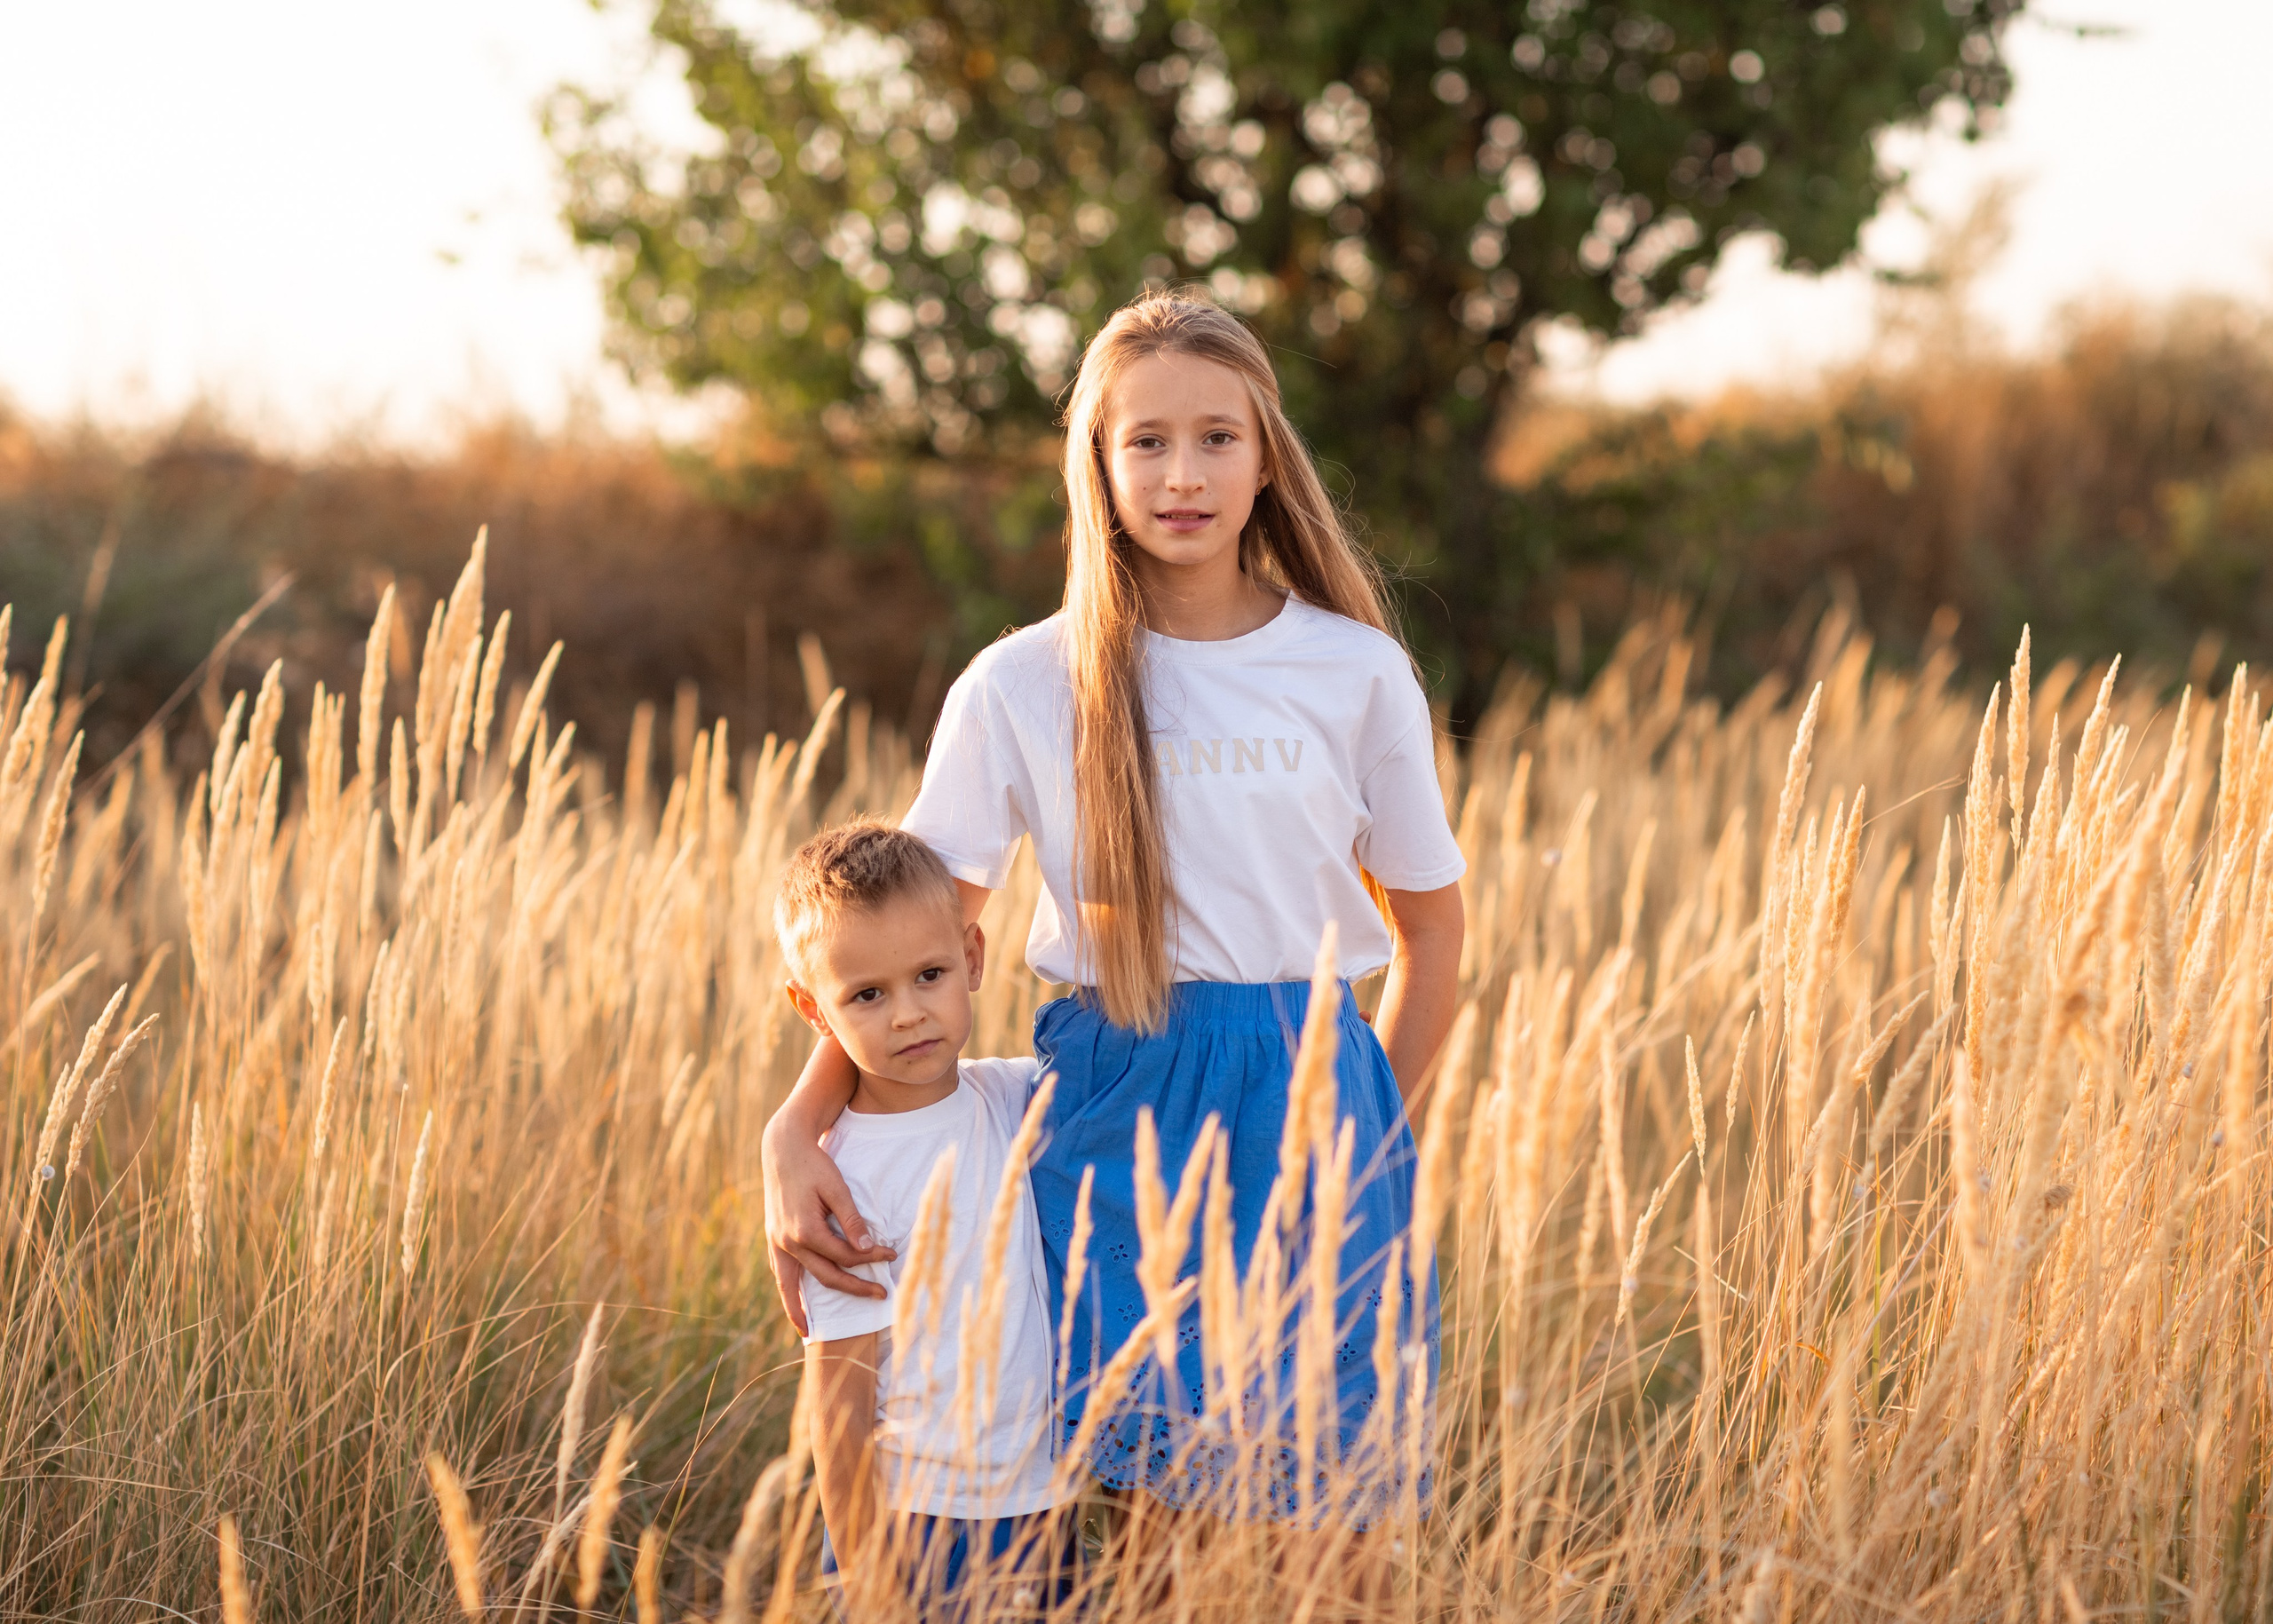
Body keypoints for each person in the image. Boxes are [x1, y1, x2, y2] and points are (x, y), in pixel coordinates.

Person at [765, 288, 1466, 1539]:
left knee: (1340, 1544)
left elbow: (1433, 935)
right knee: (1163, 1537)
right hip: (1119, 1097)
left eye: (1216, 438)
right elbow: (901, 947)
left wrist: (1367, 1144)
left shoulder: (1356, 672)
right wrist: (795, 1126)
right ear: (1097, 462)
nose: (1181, 473)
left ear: (1266, 463)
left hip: (1317, 1087)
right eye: (1144, 440)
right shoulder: (1020, 685)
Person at [774, 819, 1079, 1620]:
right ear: (813, 1007)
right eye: (867, 994)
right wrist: (872, 1586)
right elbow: (838, 1408)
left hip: (1046, 1501)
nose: (908, 1013)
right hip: (921, 1519)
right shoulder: (841, 1182)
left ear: (972, 960)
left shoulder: (1015, 1096)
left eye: (930, 974)